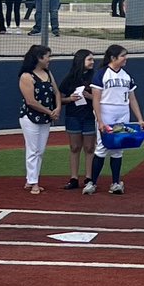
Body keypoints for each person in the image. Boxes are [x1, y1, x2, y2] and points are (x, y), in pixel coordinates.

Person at [84, 45, 144, 195]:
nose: (126, 58)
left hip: (122, 113)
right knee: (102, 147)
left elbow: (132, 98)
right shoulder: (101, 74)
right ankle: (92, 182)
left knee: (118, 148)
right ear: (113, 58)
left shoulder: (126, 76)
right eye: (123, 56)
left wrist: (140, 119)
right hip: (106, 112)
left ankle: (116, 183)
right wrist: (99, 120)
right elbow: (96, 99)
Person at [18, 45, 61, 195]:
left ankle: (31, 179)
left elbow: (56, 92)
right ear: (39, 58)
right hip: (30, 117)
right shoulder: (26, 76)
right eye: (47, 56)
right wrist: (50, 111)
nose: (49, 60)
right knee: (33, 149)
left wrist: (58, 108)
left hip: (45, 118)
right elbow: (30, 101)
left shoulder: (47, 73)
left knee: (40, 150)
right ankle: (33, 182)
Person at [58, 49, 97, 190]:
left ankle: (89, 177)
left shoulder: (95, 77)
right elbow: (60, 98)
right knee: (74, 147)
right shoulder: (70, 78)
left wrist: (89, 96)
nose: (92, 62)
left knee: (90, 147)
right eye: (89, 59)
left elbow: (103, 98)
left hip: (89, 116)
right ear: (81, 61)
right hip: (73, 115)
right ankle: (74, 178)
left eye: (92, 59)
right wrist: (70, 99)